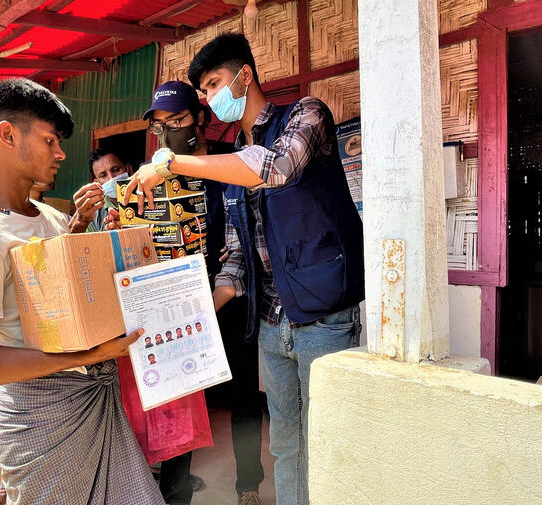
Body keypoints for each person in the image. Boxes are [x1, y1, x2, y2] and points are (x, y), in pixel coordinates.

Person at [125, 35, 364, 505]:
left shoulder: (306, 115)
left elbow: (273, 168)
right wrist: (195, 317)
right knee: (288, 442)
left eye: (215, 84)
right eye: (206, 91)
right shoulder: (232, 154)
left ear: (245, 76)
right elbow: (235, 257)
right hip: (273, 322)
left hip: (326, 315)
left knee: (330, 442)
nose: (213, 97)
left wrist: (172, 165)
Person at [0, 78, 163, 505]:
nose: (61, 153)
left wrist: (96, 239)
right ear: (7, 135)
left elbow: (71, 300)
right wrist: (87, 357)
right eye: (49, 140)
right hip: (39, 421)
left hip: (93, 398)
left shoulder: (53, 217)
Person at [141, 79, 265, 505]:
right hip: (180, 305)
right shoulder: (157, 176)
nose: (170, 132)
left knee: (244, 397)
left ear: (201, 119)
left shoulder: (231, 166)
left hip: (232, 297)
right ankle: (173, 496)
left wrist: (219, 298)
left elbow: (246, 239)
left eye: (178, 120)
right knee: (181, 400)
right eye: (161, 126)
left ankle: (248, 484)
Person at [74, 148, 133, 232]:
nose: (111, 178)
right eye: (103, 175)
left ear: (129, 169)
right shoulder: (93, 213)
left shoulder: (148, 197)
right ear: (97, 183)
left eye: (116, 170)